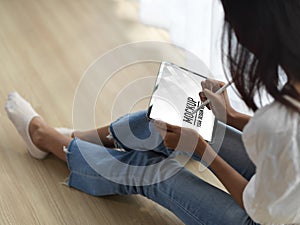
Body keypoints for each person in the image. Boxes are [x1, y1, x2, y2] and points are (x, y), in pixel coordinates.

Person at [5, 0, 300, 224]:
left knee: (155, 173)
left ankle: (48, 140)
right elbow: (286, 142)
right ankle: (80, 138)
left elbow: (260, 209)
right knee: (171, 119)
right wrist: (232, 117)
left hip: (267, 216)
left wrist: (201, 149)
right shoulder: (284, 111)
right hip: (285, 187)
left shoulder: (280, 123)